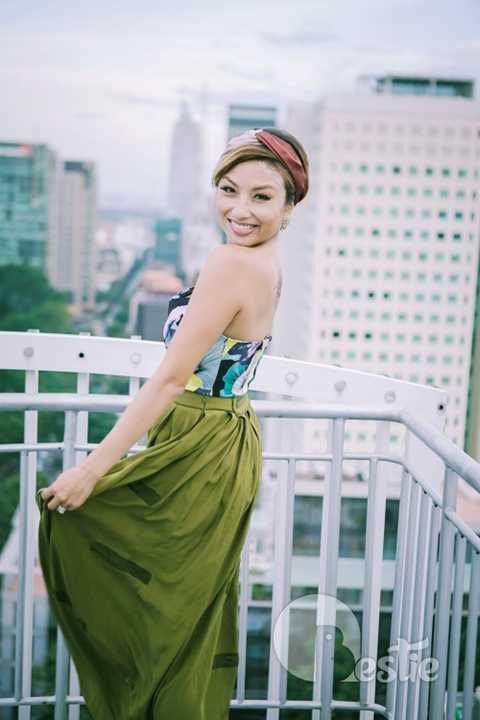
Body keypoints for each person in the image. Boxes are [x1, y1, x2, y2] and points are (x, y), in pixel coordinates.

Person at [36, 126, 310, 719]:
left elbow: (168, 379)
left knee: (163, 613)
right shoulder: (264, 260)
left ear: (290, 206)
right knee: (184, 614)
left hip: (199, 444)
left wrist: (89, 470)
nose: (240, 209)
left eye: (262, 197)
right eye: (228, 190)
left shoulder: (232, 263)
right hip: (223, 439)